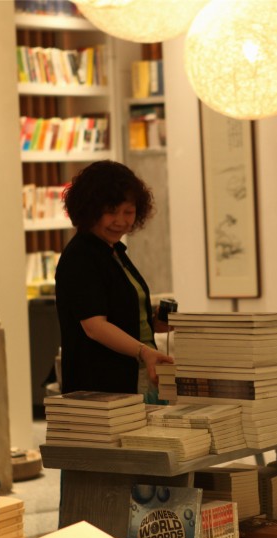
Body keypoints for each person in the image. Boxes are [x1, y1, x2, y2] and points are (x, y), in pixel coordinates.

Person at [55, 160, 173, 403]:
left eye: (128, 212)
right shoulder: (81, 256)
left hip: (134, 380)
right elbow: (94, 326)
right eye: (111, 211)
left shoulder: (115, 252)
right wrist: (143, 351)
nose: (120, 221)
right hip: (101, 388)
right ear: (90, 210)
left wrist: (152, 322)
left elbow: (120, 316)